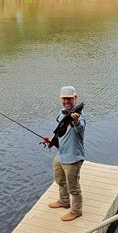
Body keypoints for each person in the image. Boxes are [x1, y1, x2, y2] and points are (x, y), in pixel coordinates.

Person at [49, 86, 85, 221]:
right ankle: (64, 201)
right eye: (64, 99)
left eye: (69, 99)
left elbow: (80, 127)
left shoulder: (79, 116)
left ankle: (76, 211)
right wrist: (51, 141)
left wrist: (75, 121)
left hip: (73, 157)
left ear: (75, 98)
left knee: (73, 187)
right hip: (61, 154)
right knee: (60, 180)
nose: (66, 101)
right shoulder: (61, 113)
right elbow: (60, 132)